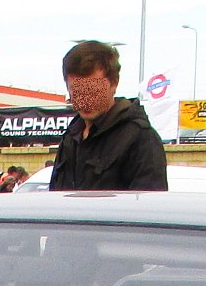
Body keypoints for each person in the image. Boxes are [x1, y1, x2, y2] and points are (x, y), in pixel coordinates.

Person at [50, 40, 168, 192]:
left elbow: (148, 210)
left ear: (114, 83)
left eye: (93, 91)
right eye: (78, 91)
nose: (86, 100)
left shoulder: (141, 138)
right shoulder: (70, 138)